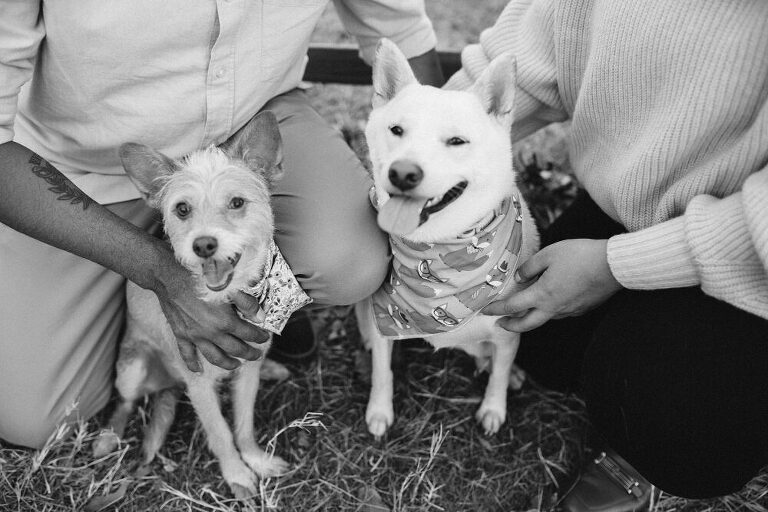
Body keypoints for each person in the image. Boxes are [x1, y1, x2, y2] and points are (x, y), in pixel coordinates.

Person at [0, 0, 444, 449]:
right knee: (34, 421)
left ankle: (277, 292)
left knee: (348, 261)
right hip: (82, 162)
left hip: (253, 122)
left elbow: (399, 26)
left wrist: (443, 183)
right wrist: (157, 270)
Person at [444, 0, 768, 507]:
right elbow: (523, 61)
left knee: (675, 421)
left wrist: (617, 265)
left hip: (753, 253)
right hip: (634, 205)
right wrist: (422, 151)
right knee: (542, 344)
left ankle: (651, 456)